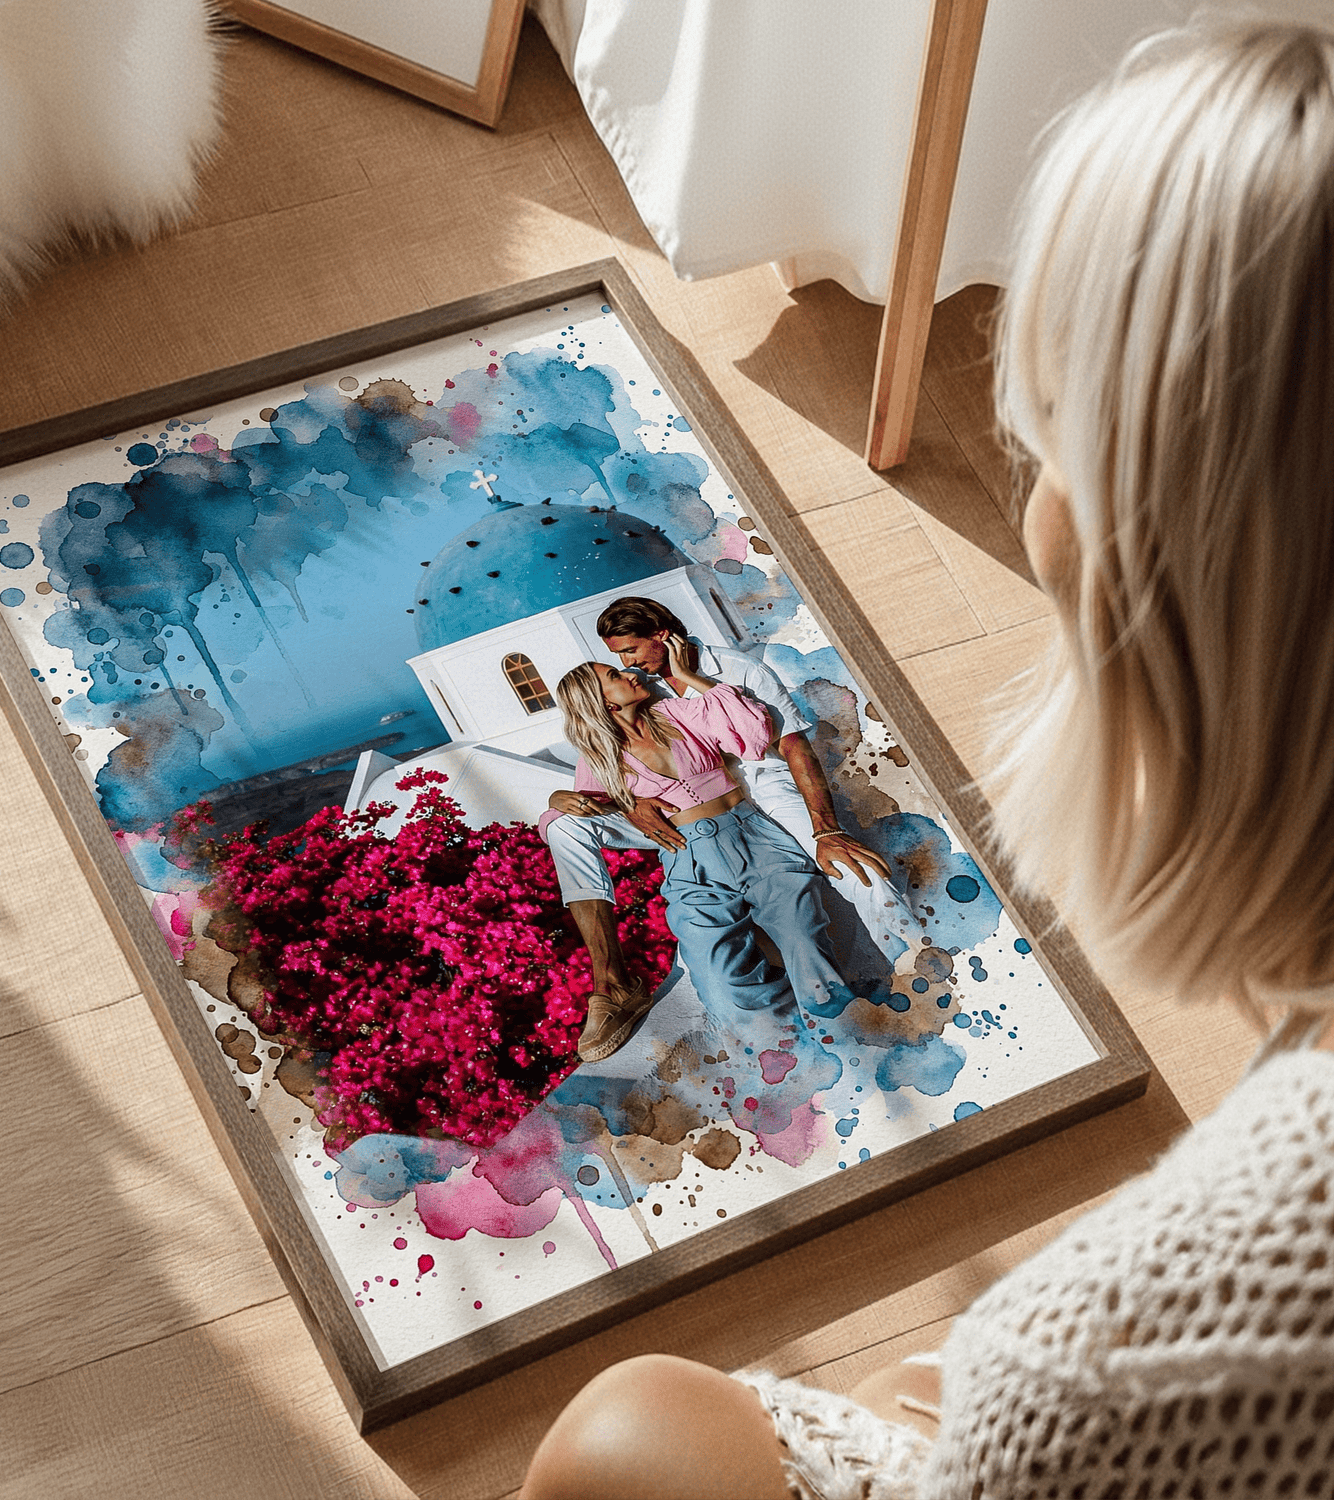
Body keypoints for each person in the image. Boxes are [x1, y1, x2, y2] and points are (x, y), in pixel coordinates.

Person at [520, 16, 1334, 1497]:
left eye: (1055, 445)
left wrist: (769, 788)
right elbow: (637, 794)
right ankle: (723, 1006)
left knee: (629, 1435)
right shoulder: (615, 720)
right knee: (725, 938)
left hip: (747, 834)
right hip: (692, 847)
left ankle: (820, 1014)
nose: (638, 664)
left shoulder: (1157, 1334)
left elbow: (763, 752)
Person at [543, 596, 909, 1056]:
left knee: (811, 941)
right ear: (602, 704)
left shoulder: (685, 704)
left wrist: (698, 681)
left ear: (660, 636)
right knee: (718, 979)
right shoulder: (600, 756)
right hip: (687, 859)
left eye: (627, 657)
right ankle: (790, 1055)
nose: (629, 669)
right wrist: (570, 800)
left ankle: (857, 1039)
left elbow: (759, 737)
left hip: (754, 828)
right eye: (616, 672)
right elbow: (573, 814)